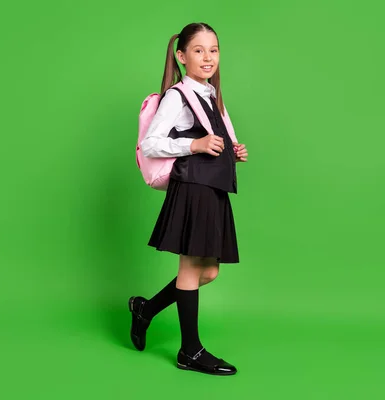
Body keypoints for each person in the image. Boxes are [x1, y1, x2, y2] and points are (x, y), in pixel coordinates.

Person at [129, 22, 248, 376]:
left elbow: (218, 138)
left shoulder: (211, 95)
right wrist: (192, 145)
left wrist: (233, 150)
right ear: (182, 57)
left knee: (207, 271)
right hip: (192, 188)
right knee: (190, 269)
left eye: (213, 49)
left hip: (212, 189)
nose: (208, 57)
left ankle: (146, 310)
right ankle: (190, 351)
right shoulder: (178, 96)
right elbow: (150, 143)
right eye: (198, 50)